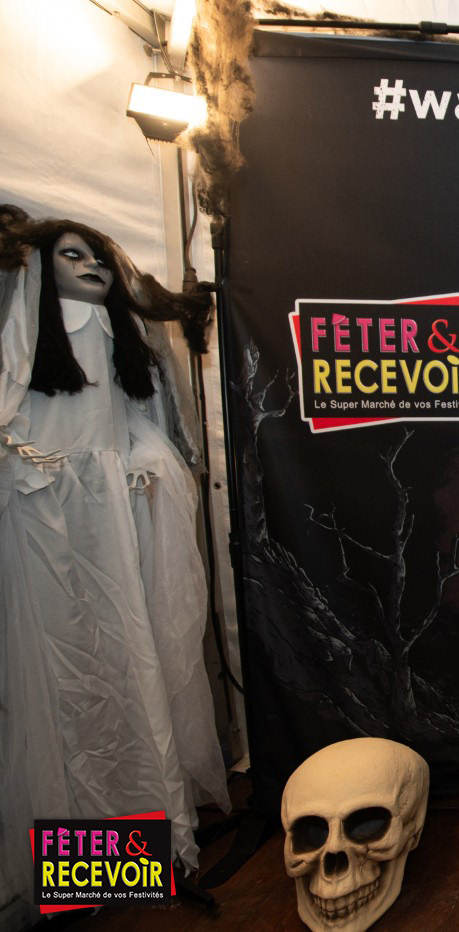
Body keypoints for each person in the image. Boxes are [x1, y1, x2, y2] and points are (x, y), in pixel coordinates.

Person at [0, 206, 225, 921]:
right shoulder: (24, 349)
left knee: (135, 674)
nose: (93, 266)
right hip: (44, 528)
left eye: (96, 256)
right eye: (72, 255)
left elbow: (139, 427)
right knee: (62, 690)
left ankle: (136, 859)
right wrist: (29, 466)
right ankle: (78, 873)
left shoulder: (117, 342)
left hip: (116, 533)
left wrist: (141, 473)